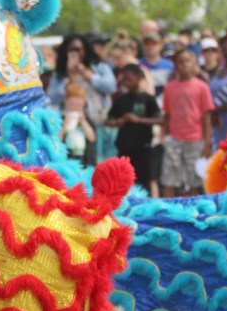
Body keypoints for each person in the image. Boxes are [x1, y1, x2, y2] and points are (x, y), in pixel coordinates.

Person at [48, 34, 117, 165]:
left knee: (100, 162)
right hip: (71, 123)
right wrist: (68, 78)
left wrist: (88, 75)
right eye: (71, 50)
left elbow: (111, 86)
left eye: (79, 49)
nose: (76, 53)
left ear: (86, 49)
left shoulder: (99, 67)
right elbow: (52, 99)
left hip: (98, 121)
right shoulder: (60, 74)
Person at [161, 49, 213, 197]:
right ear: (175, 65)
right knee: (170, 178)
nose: (184, 65)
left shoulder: (201, 86)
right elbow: (167, 114)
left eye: (187, 61)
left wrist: (207, 142)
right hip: (175, 139)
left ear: (194, 63)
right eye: (180, 62)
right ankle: (167, 210)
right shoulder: (170, 87)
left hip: (195, 139)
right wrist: (165, 136)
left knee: (194, 180)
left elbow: (206, 115)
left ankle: (193, 213)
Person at [106, 63, 161, 192]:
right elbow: (108, 120)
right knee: (124, 181)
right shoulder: (120, 99)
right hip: (124, 147)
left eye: (129, 79)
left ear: (138, 78)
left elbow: (160, 119)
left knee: (144, 181)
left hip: (143, 148)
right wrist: (120, 121)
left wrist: (139, 120)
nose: (126, 82)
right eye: (123, 79)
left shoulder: (148, 99)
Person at [58, 83, 95, 166]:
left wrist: (83, 121)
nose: (75, 107)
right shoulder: (60, 119)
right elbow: (57, 139)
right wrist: (65, 125)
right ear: (66, 101)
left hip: (84, 160)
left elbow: (92, 138)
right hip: (66, 159)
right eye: (72, 104)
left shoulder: (87, 119)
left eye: (78, 105)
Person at [138, 32, 174, 97]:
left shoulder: (170, 66)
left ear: (161, 46)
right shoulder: (137, 65)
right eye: (147, 44)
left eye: (153, 44)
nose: (150, 47)